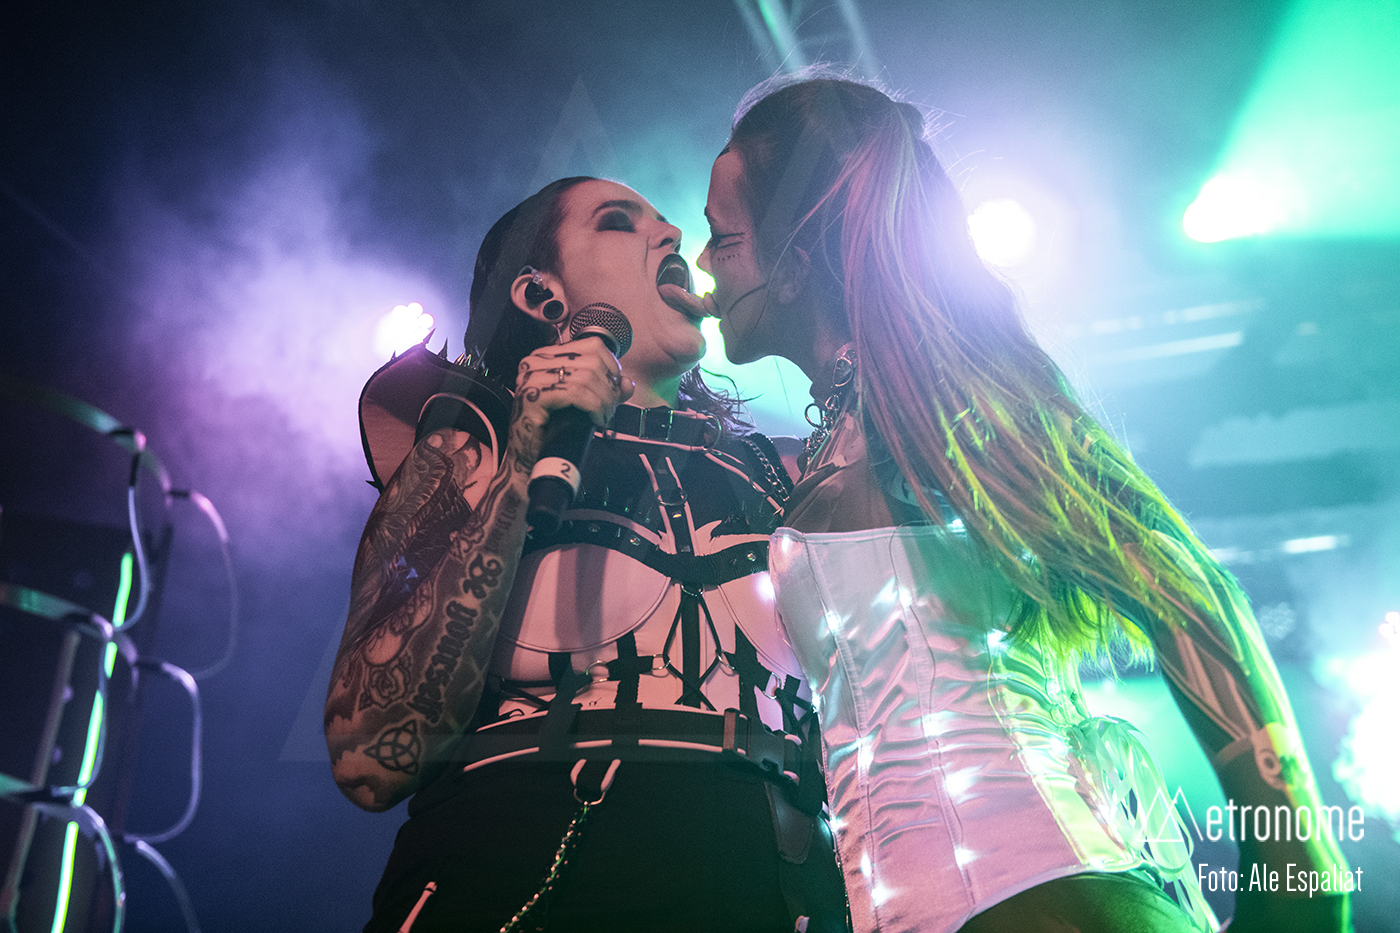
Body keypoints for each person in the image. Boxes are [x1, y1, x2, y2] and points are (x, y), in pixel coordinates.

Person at [692, 75, 1353, 933]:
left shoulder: (930, 404)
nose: (704, 263)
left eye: (723, 238)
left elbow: (1186, 587)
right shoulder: (844, 436)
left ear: (794, 263)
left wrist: (1300, 877)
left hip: (1043, 899)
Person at [325, 176, 846, 932]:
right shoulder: (470, 450)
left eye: (668, 223)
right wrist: (521, 464)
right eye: (617, 221)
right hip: (523, 886)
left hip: (777, 890)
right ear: (541, 295)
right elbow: (371, 754)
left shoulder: (789, 471)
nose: (671, 235)